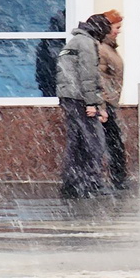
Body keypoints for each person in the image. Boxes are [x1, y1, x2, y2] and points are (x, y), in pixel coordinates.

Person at [55, 13, 111, 198]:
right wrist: (92, 103)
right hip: (79, 98)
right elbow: (88, 75)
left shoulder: (76, 41)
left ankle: (72, 183)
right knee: (94, 141)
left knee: (76, 142)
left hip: (68, 97)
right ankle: (92, 182)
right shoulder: (86, 43)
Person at [98, 9, 129, 190]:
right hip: (105, 103)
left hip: (109, 102)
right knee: (112, 142)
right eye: (116, 27)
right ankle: (117, 178)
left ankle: (118, 177)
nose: (119, 31)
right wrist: (103, 104)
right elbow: (99, 78)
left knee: (113, 142)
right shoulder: (102, 49)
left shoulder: (109, 48)